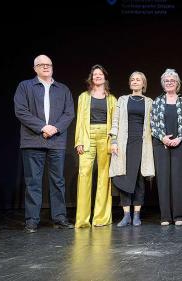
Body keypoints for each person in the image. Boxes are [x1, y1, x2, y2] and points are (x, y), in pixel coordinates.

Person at [14, 54, 75, 233]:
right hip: (32, 140)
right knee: (33, 182)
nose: (45, 67)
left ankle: (59, 218)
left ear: (52, 67)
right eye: (41, 65)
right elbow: (21, 111)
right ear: (35, 68)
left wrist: (54, 128)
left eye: (48, 64)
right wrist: (42, 127)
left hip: (56, 141)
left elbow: (69, 113)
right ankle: (32, 220)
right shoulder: (25, 86)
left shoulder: (62, 89)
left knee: (58, 181)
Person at [109, 71, 154, 227]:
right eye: (132, 79)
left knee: (139, 180)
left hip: (142, 144)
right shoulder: (122, 99)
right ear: (130, 83)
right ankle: (126, 215)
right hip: (123, 143)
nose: (135, 82)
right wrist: (113, 140)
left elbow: (153, 125)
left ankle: (136, 215)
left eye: (138, 80)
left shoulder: (149, 102)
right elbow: (115, 121)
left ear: (143, 84)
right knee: (123, 177)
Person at [74, 64, 117, 228]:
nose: (97, 76)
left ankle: (101, 218)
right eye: (95, 75)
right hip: (87, 136)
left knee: (105, 176)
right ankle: (83, 220)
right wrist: (78, 141)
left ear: (105, 78)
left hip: (105, 137)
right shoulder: (83, 97)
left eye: (100, 74)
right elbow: (79, 121)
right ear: (91, 78)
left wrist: (113, 142)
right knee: (84, 175)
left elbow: (114, 123)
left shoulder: (111, 99)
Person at [151, 69, 182, 226]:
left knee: (179, 179)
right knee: (163, 180)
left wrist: (179, 138)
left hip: (179, 144)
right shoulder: (157, 101)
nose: (169, 83)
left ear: (177, 83)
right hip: (161, 145)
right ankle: (166, 216)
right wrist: (163, 138)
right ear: (163, 84)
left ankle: (180, 215)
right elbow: (153, 123)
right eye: (166, 81)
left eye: (172, 81)